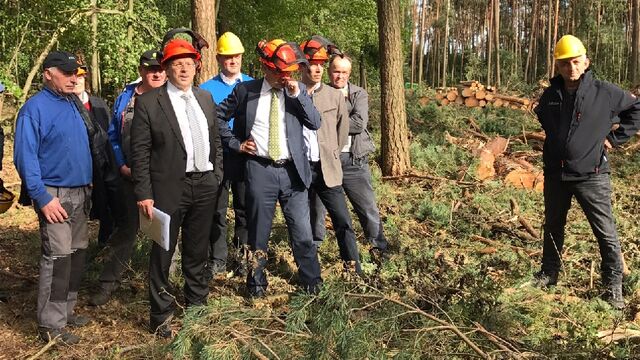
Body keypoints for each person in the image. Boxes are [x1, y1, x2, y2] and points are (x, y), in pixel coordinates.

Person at [532, 35, 640, 309]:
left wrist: (614, 140)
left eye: (576, 62)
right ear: (558, 66)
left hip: (591, 175)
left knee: (605, 231)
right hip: (556, 175)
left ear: (586, 62)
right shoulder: (550, 95)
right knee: (553, 226)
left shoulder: (604, 92)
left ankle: (613, 286)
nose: (571, 68)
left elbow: (636, 108)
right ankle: (549, 274)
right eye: (565, 63)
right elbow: (544, 118)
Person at [130, 39, 223, 337]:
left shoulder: (206, 98)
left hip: (205, 186)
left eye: (188, 64)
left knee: (197, 251)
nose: (183, 69)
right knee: (162, 253)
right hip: (167, 188)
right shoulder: (149, 102)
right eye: (176, 64)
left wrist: (216, 175)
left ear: (197, 66)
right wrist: (143, 193)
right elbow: (140, 152)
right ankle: (160, 317)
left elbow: (216, 140)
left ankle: (196, 308)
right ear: (167, 68)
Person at [216, 39, 323, 297]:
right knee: (258, 232)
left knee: (302, 232)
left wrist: (298, 95)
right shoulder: (246, 91)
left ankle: (313, 285)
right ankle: (256, 286)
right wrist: (236, 144)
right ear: (266, 68)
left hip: (293, 172)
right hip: (259, 170)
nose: (282, 78)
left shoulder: (296, 92)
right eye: (277, 72)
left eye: (287, 73)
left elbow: (315, 122)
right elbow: (218, 116)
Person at [14, 51, 92, 344]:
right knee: (58, 259)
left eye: (76, 73)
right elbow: (25, 158)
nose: (74, 78)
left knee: (77, 253)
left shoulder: (73, 103)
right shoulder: (34, 109)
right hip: (54, 195)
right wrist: (43, 198)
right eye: (67, 72)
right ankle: (50, 326)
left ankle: (66, 310)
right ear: (48, 73)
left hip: (82, 192)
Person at [90, 49, 166, 306]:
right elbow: (113, 136)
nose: (156, 73)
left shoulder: (175, 97)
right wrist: (121, 165)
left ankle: (164, 286)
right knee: (127, 231)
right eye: (150, 69)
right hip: (130, 177)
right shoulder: (127, 98)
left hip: (163, 179)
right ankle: (107, 284)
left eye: (160, 68)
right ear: (141, 71)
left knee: (166, 234)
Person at [311, 55, 389, 263]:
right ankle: (314, 248)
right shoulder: (319, 92)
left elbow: (359, 124)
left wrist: (331, 119)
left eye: (344, 72)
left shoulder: (358, 94)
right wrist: (337, 120)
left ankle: (379, 248)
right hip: (326, 161)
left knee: (367, 207)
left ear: (350, 74)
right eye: (336, 71)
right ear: (329, 72)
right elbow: (316, 124)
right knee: (316, 209)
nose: (340, 76)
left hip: (353, 161)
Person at [299, 36, 361, 273]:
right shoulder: (291, 93)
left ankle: (353, 268)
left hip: (328, 170)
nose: (317, 69)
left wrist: (330, 154)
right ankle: (309, 270)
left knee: (342, 221)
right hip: (301, 170)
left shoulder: (335, 96)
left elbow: (342, 132)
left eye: (321, 65)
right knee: (304, 224)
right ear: (302, 65)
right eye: (312, 64)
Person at [200, 32, 253, 277]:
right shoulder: (206, 89)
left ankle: (243, 256)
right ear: (219, 59)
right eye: (227, 57)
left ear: (242, 57)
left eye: (236, 56)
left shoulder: (253, 86)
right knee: (217, 210)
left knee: (244, 208)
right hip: (217, 156)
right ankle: (217, 259)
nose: (232, 61)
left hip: (245, 155)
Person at [73, 65, 115, 247]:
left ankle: (103, 247)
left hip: (101, 166)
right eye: (74, 77)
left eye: (81, 77)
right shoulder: (61, 106)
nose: (78, 81)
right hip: (75, 171)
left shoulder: (98, 104)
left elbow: (109, 134)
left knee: (107, 209)